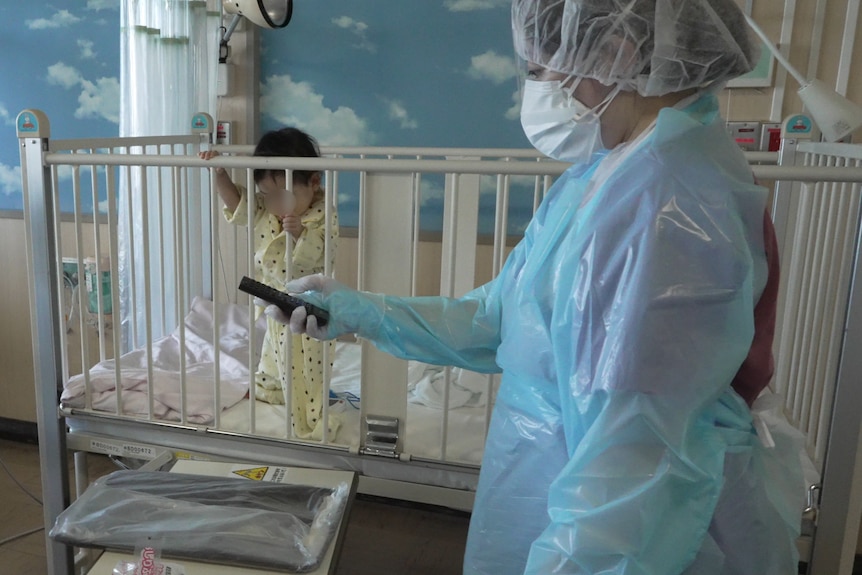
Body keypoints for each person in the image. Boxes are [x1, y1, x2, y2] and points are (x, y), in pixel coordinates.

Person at [266, 1, 807, 573]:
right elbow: (500, 319)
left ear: (614, 51)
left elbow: (634, 473)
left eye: (540, 68)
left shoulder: (666, 204)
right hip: (552, 504)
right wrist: (359, 311)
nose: (536, 87)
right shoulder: (607, 173)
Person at [200, 127, 340, 440]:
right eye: (267, 195)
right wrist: (219, 173)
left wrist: (300, 234)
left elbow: (322, 254)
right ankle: (272, 389)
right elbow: (236, 203)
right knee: (275, 355)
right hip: (278, 304)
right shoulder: (266, 210)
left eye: (283, 195)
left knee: (310, 367)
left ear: (313, 183)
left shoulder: (321, 214)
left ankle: (313, 413)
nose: (274, 203)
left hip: (313, 309)